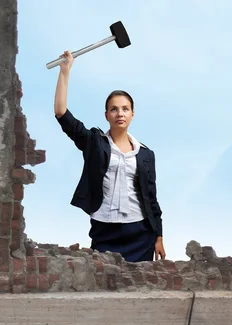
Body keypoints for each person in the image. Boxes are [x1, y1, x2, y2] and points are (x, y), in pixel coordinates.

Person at [53, 50, 166, 262]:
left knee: (138, 290)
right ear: (106, 115)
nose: (120, 113)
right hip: (104, 228)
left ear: (132, 114)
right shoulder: (94, 143)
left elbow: (151, 198)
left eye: (125, 109)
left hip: (141, 232)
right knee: (104, 284)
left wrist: (159, 236)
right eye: (114, 109)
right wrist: (65, 71)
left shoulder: (146, 154)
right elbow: (61, 113)